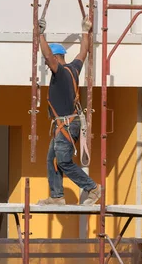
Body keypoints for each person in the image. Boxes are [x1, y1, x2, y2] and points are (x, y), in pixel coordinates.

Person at [37, 15, 101, 206]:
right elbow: (83, 52)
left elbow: (48, 56)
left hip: (65, 124)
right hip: (68, 123)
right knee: (52, 158)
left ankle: (93, 188)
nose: (48, 65)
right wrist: (85, 30)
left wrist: (40, 35)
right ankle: (57, 196)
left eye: (50, 62)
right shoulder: (73, 69)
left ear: (56, 58)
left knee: (63, 161)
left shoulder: (60, 72)